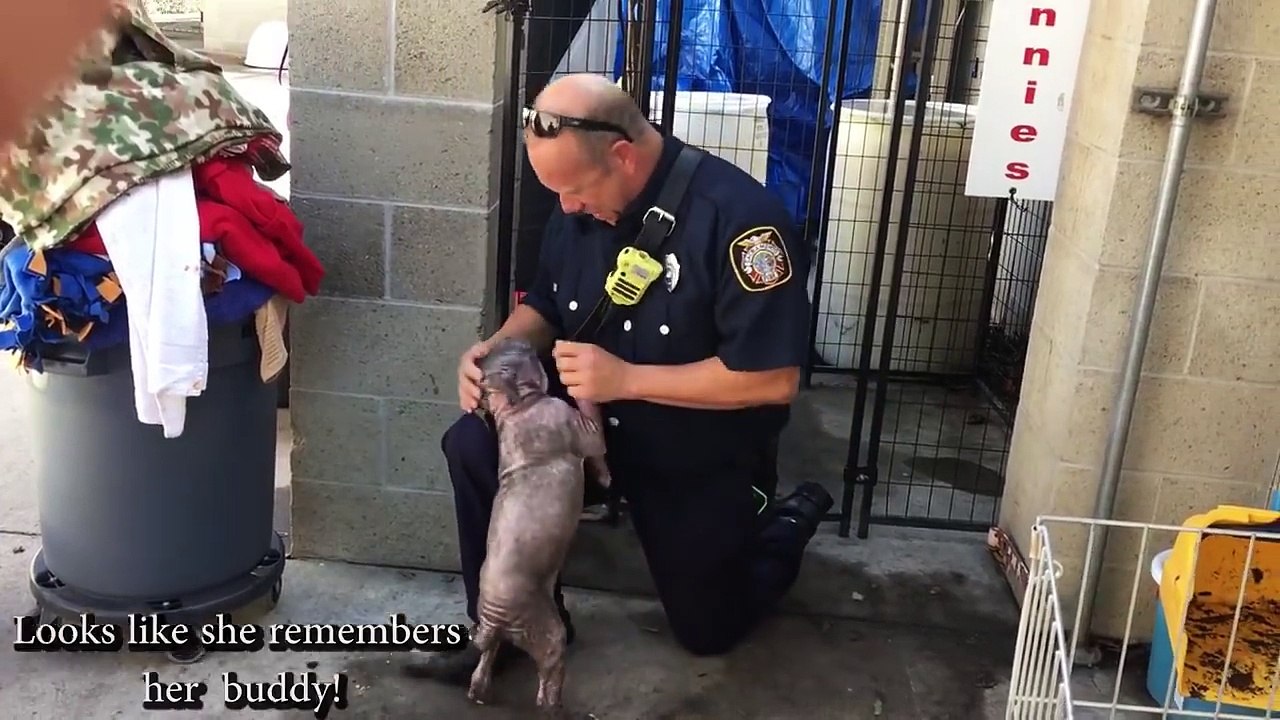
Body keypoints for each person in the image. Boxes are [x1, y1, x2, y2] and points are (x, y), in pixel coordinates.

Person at [404, 73, 833, 683]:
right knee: (473, 444)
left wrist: (628, 378)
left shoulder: (743, 222)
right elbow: (547, 307)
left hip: (696, 445)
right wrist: (493, 351)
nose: (566, 207)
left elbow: (770, 381)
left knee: (709, 631)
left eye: (574, 190)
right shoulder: (576, 200)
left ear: (623, 155)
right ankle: (518, 622)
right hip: (589, 422)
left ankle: (788, 523)